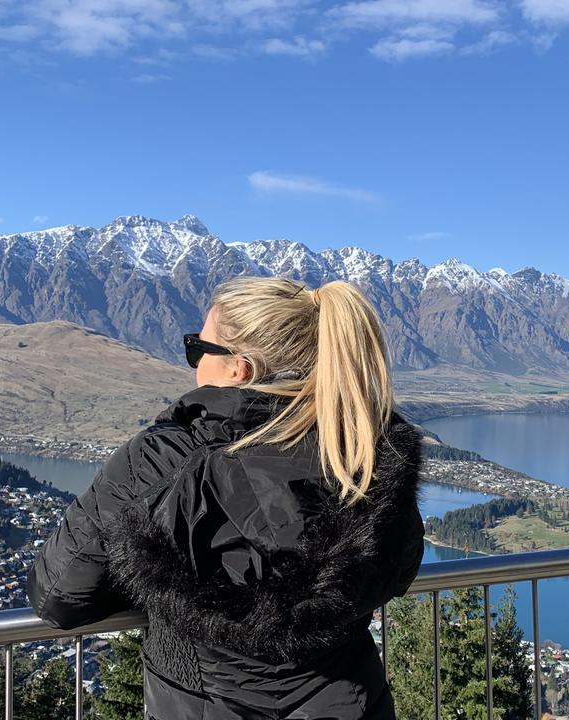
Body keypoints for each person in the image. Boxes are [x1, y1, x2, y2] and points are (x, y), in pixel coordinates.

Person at [27, 277, 425, 719]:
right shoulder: (367, 453)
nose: (194, 362)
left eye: (199, 348)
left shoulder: (163, 460)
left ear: (240, 369)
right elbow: (398, 573)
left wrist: (152, 584)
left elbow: (58, 598)